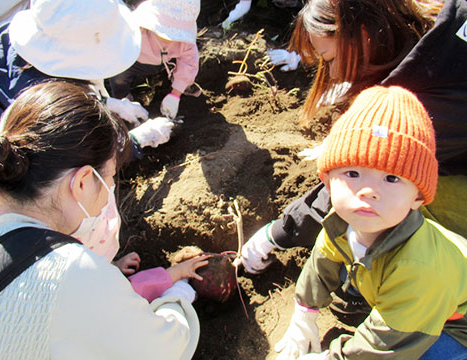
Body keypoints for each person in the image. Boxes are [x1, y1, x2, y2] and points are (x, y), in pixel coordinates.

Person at [236, 0, 467, 280]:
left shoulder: (416, 105)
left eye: (329, 59)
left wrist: (277, 233)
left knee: (395, 195)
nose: (332, 73)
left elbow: (355, 187)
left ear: (362, 35)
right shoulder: (446, 31)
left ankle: (410, 283)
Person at [0, 80, 200, 358]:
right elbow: (163, 349)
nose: (110, 189)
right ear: (84, 183)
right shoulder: (73, 275)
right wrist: (178, 300)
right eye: (110, 177)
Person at [275, 85, 467, 360]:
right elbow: (322, 262)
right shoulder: (341, 224)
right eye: (353, 173)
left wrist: (330, 358)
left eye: (391, 178)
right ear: (328, 181)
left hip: (454, 325)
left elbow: (383, 348)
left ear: (418, 198)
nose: (369, 191)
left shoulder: (419, 268)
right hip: (411, 301)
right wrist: (304, 314)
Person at [0, 0, 175, 158]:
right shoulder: (49, 112)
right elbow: (72, 163)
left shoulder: (8, 36)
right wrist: (136, 140)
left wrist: (108, 103)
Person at [109, 0, 200, 120]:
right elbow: (114, 53)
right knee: (119, 77)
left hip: (167, 61)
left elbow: (189, 63)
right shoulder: (135, 29)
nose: (170, 40)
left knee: (185, 72)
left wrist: (175, 95)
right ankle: (124, 101)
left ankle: (178, 86)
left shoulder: (186, 43)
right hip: (133, 61)